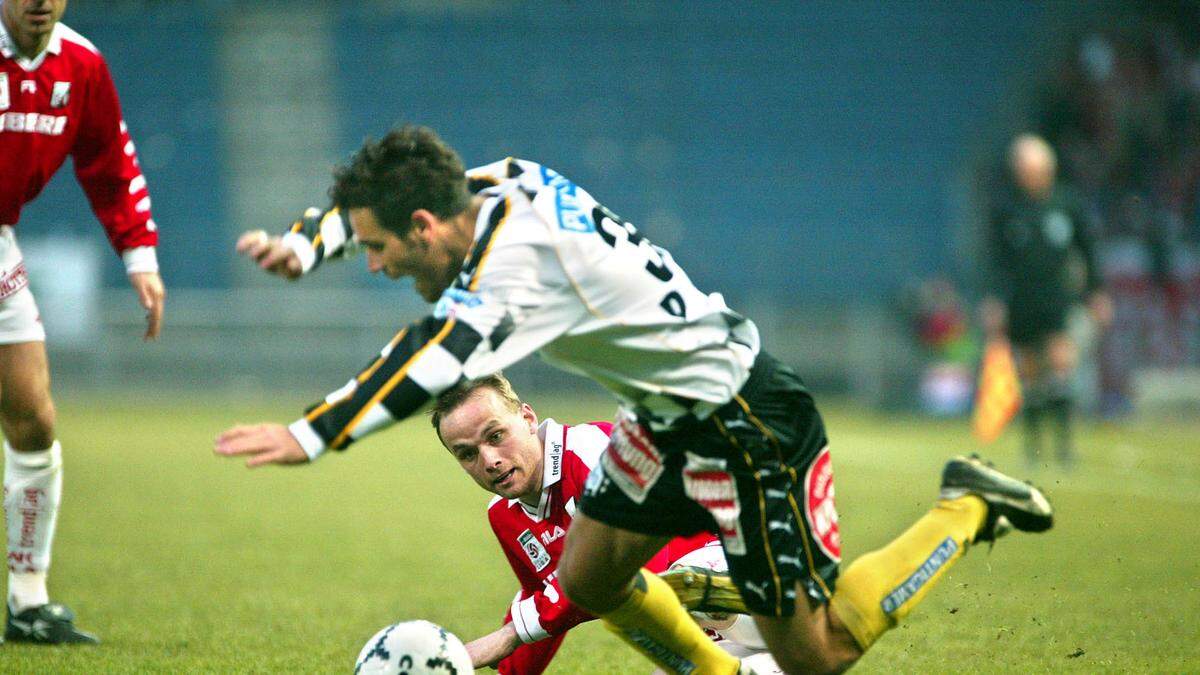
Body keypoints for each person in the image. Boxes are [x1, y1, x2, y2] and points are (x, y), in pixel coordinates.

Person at [216, 125, 1054, 674]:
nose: (374, 264)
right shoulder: (504, 182)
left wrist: (311, 433)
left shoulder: (512, 275)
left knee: (819, 651)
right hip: (666, 417)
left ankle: (966, 506)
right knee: (588, 570)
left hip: (744, 416)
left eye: (375, 248)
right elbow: (389, 198)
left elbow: (428, 359)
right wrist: (305, 242)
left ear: (427, 226)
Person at [0, 0, 165, 645]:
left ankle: (27, 599)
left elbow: (110, 161)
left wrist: (139, 256)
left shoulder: (82, 64)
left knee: (34, 418)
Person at [431, 372, 778, 674]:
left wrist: (513, 633)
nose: (489, 460)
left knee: (681, 584)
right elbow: (543, 604)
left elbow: (640, 573)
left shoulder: (591, 451)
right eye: (467, 453)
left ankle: (798, 633)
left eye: (495, 436)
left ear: (527, 418)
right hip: (698, 619)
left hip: (744, 559)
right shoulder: (503, 515)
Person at [982, 133, 1112, 467]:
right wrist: (994, 300)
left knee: (1061, 370)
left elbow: (1088, 249)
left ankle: (1065, 449)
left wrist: (1096, 292)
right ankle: (1033, 449)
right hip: (1021, 304)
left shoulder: (1067, 204)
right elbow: (994, 260)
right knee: (1031, 378)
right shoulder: (1005, 208)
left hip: (1057, 300)